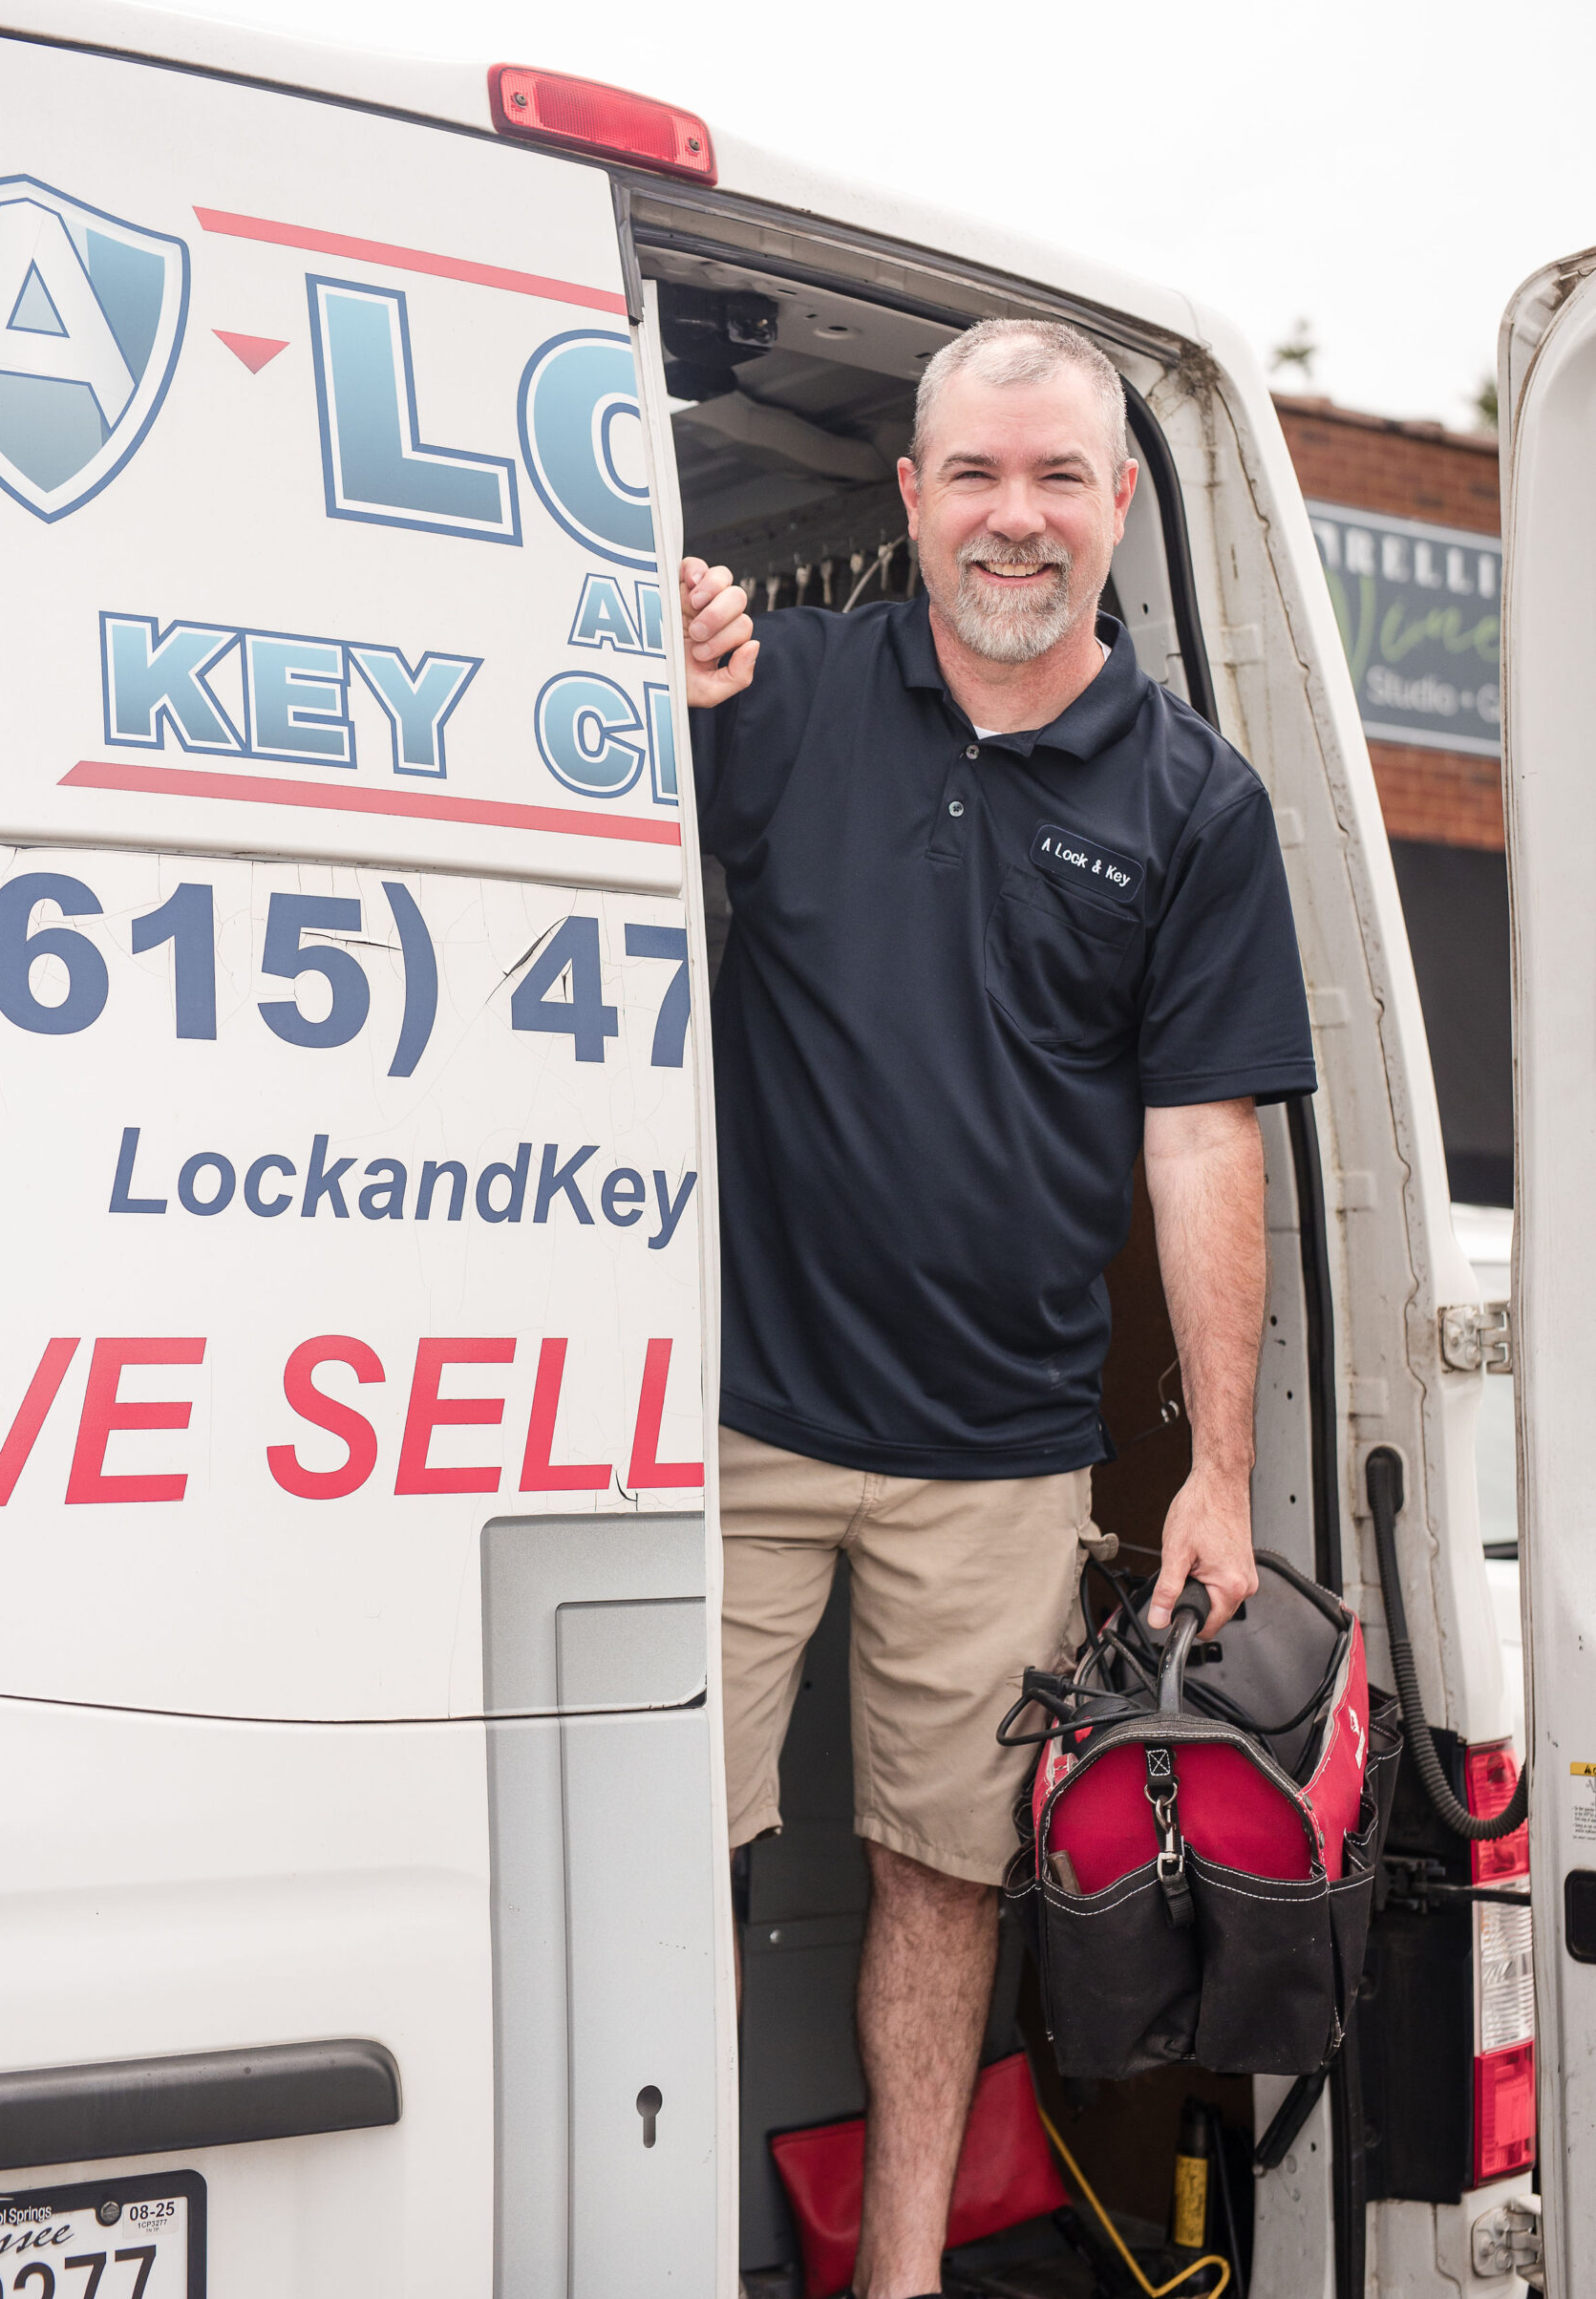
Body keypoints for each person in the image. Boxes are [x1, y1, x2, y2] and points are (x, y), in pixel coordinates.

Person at [683, 319, 1315, 2299]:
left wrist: (1218, 1472)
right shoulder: (779, 693)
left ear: (1118, 501)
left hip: (1000, 1454)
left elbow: (1201, 1145)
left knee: (944, 1881)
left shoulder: (1195, 804)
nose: (1012, 517)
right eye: (972, 474)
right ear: (911, 497)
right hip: (730, 1418)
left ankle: (893, 2282)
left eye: (1054, 477)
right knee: (659, 1858)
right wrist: (647, 645)